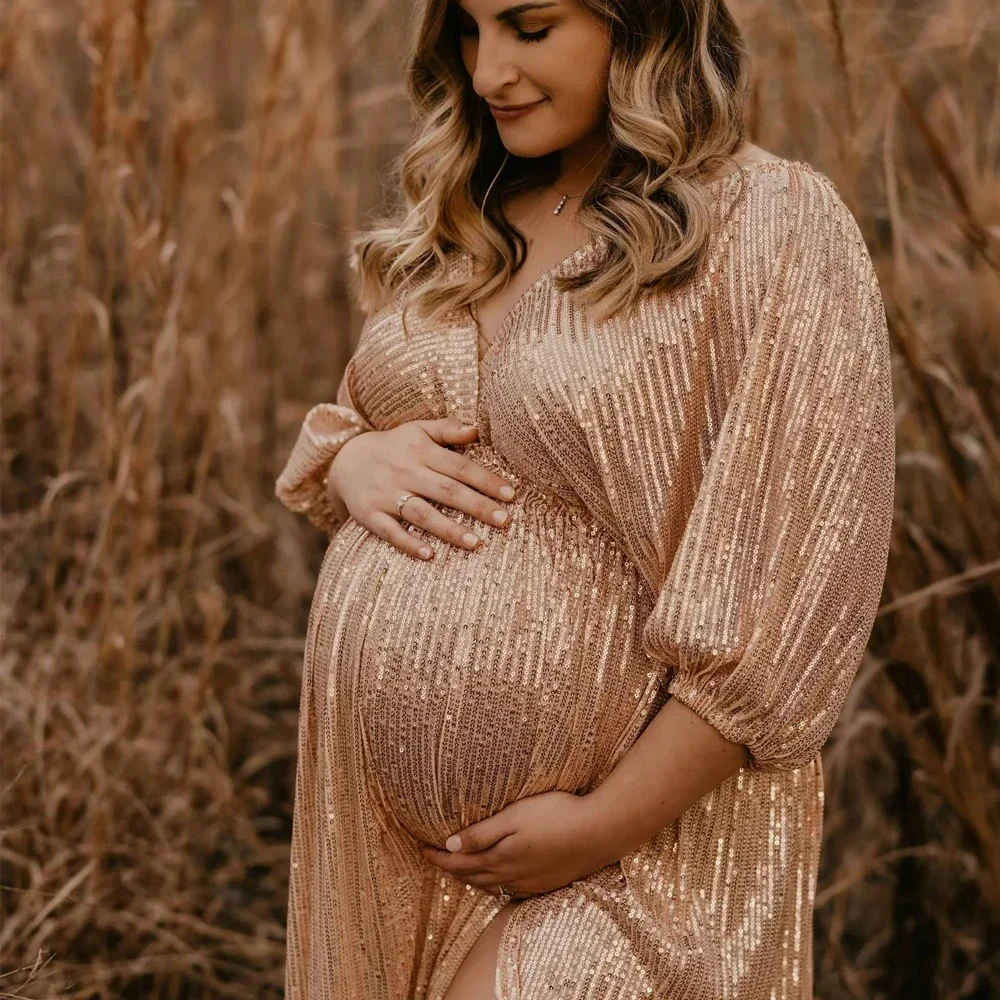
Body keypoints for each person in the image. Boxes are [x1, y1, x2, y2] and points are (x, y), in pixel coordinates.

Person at [274, 0, 895, 996]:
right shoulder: (462, 216)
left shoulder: (766, 221)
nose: (486, 74)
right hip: (384, 852)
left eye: (529, 26)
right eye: (469, 32)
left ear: (642, 24)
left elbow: (792, 582)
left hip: (635, 855)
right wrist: (350, 459)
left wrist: (605, 824)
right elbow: (358, 416)